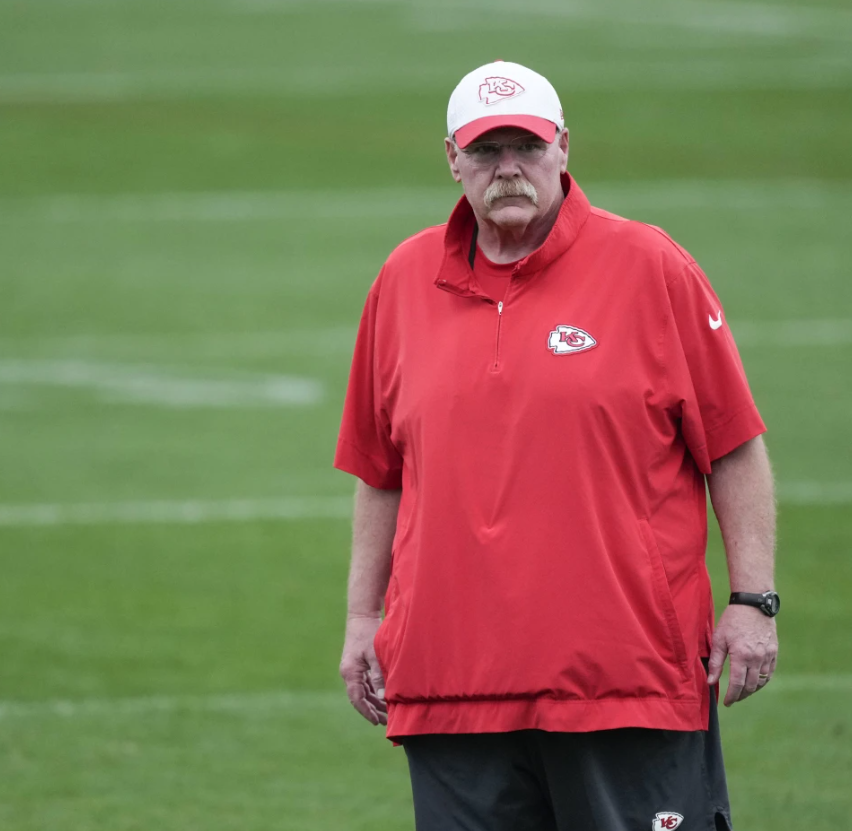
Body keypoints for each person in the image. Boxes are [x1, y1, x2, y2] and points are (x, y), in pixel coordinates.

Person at [334, 61, 779, 831]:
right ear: (452, 159)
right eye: (485, 149)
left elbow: (733, 444)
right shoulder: (402, 279)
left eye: (526, 146)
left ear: (563, 147)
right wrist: (358, 619)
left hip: (622, 678)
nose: (507, 168)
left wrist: (752, 601)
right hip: (450, 684)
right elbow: (380, 471)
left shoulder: (649, 266)